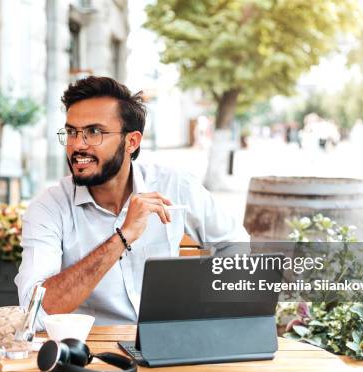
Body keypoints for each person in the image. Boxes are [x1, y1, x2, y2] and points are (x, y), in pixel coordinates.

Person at [15, 76, 249, 328]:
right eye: (72, 132)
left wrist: (203, 310)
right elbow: (34, 312)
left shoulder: (176, 186)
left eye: (94, 132)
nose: (76, 145)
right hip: (91, 352)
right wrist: (122, 237)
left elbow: (236, 247)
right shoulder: (48, 208)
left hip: (169, 342)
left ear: (132, 141)